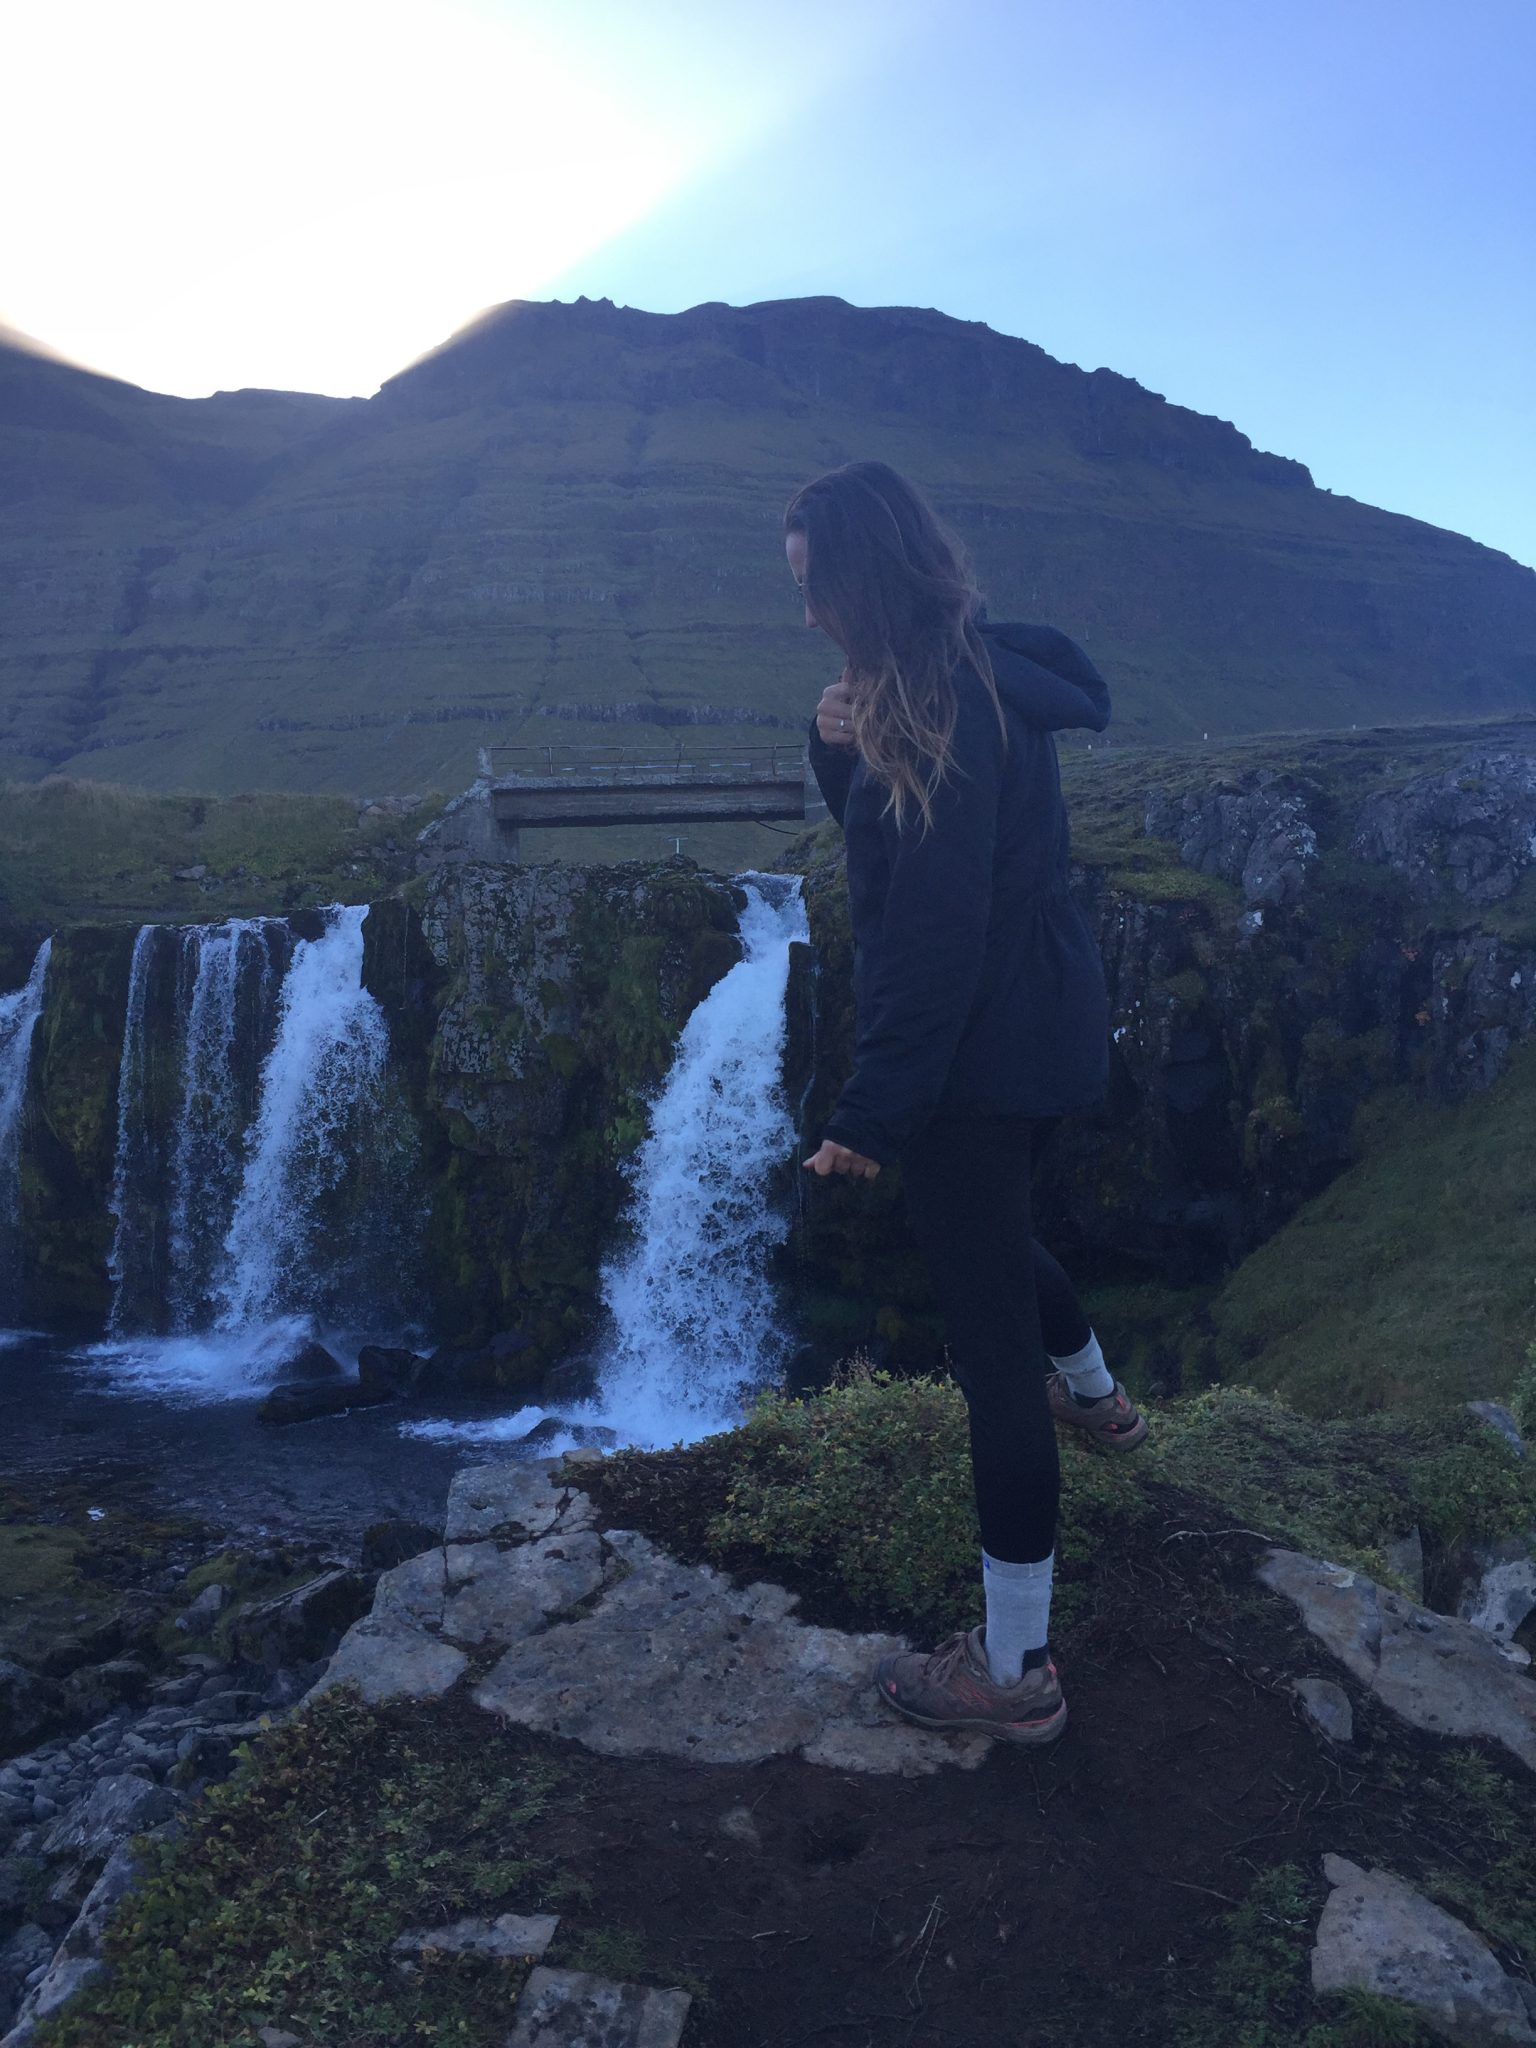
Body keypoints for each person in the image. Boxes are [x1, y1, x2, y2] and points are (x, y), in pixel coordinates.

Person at [789, 460, 1146, 1748]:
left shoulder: (934, 707)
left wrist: (871, 1114)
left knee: (991, 1356)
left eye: (816, 585)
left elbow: (928, 935)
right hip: (1038, 1024)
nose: (808, 614)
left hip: (976, 1050)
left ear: (862, 577)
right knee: (998, 1234)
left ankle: (1015, 1671)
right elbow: (897, 846)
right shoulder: (959, 671)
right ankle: (1097, 1398)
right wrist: (833, 747)